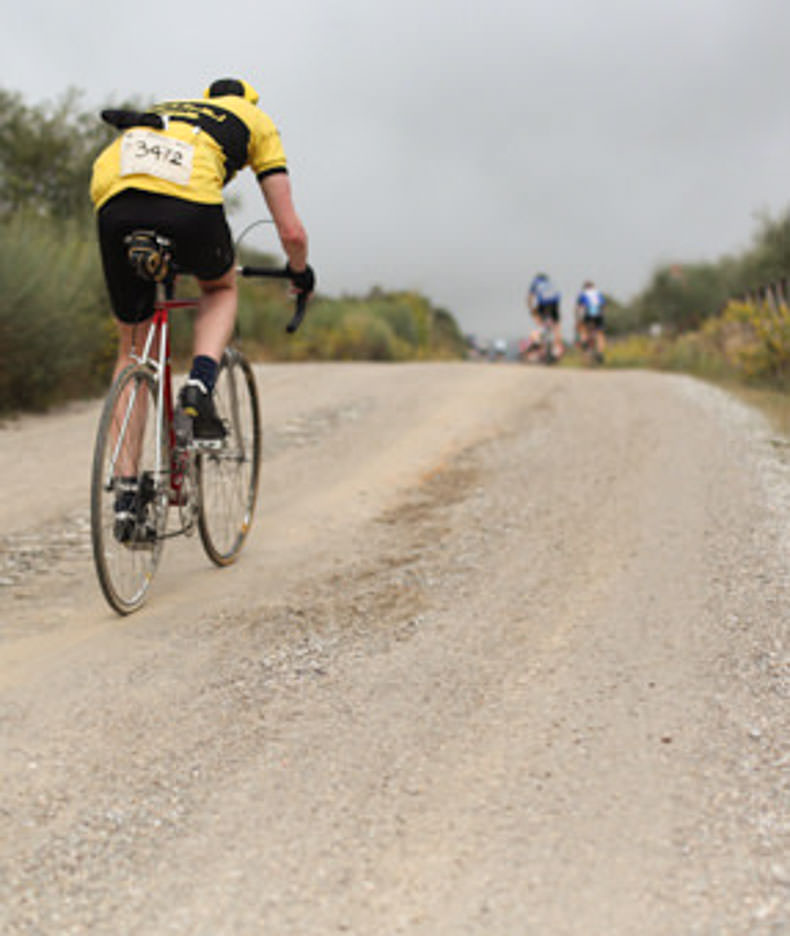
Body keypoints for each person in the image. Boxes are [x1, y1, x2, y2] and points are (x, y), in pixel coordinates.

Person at [90, 77, 314, 440]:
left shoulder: (167, 108)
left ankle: (126, 489)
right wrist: (300, 273)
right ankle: (199, 385)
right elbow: (292, 233)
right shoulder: (254, 119)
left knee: (131, 349)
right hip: (189, 204)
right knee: (220, 288)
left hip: (114, 202)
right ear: (249, 101)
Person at [526, 272, 563, 358]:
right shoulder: (551, 284)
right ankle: (556, 349)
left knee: (538, 319)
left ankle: (538, 336)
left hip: (543, 303)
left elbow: (530, 298)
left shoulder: (535, 283)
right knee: (556, 326)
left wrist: (532, 310)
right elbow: (558, 296)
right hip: (554, 304)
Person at [575, 280, 606, 362]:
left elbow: (579, 308)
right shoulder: (598, 293)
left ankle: (584, 341)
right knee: (600, 334)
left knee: (583, 328)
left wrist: (578, 319)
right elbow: (603, 306)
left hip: (588, 313)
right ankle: (600, 352)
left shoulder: (583, 294)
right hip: (599, 314)